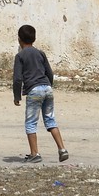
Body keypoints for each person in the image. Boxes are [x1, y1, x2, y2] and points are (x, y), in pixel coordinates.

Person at [13, 24, 69, 163]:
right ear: (34, 38)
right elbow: (49, 73)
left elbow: (17, 78)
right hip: (47, 89)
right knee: (50, 120)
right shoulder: (40, 53)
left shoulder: (20, 56)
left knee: (31, 123)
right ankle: (62, 149)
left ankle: (35, 154)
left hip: (34, 91)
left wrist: (17, 96)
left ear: (19, 39)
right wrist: (48, 86)